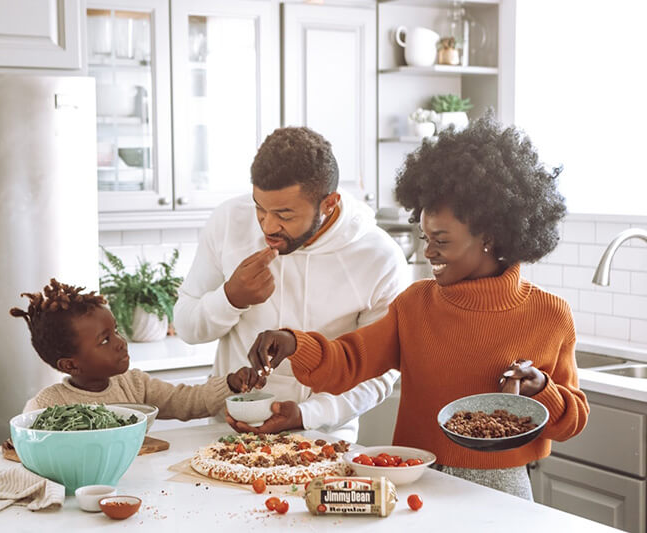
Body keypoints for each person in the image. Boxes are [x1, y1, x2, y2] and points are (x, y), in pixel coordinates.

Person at [244, 115, 590, 500]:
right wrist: (294, 343)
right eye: (425, 236)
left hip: (503, 490)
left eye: (441, 240)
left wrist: (541, 389)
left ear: (490, 237)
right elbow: (350, 359)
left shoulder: (549, 315)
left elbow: (571, 420)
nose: (428, 251)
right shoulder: (415, 305)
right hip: (416, 481)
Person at [173, 126, 409, 441]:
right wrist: (230, 298)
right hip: (228, 435)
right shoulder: (229, 220)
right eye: (259, 207)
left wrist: (306, 415)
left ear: (329, 204)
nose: (268, 225)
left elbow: (378, 373)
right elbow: (186, 327)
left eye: (285, 214)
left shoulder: (380, 258)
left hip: (323, 439)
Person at [11, 279, 259, 416]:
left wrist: (230, 384)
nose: (120, 343)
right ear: (70, 364)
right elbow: (21, 447)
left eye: (116, 330)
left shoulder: (134, 385)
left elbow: (186, 400)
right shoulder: (47, 406)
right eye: (105, 340)